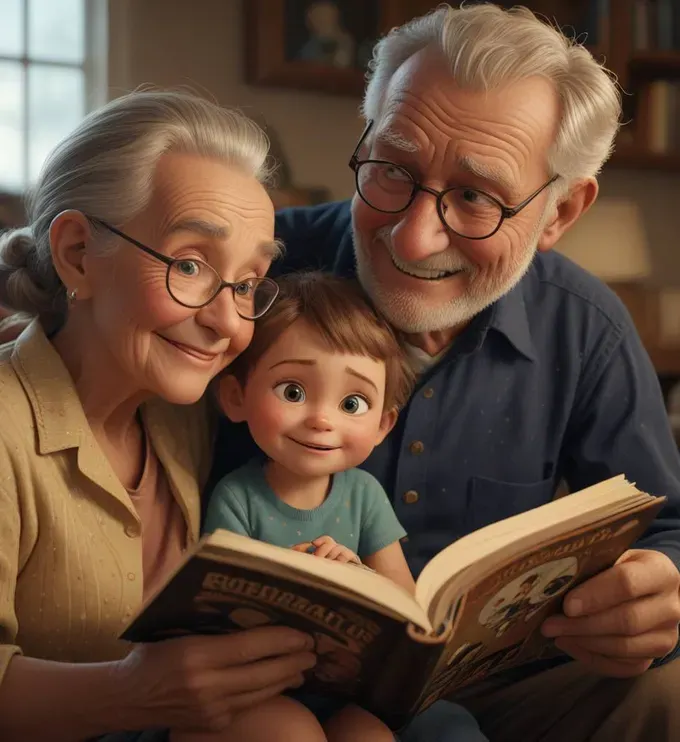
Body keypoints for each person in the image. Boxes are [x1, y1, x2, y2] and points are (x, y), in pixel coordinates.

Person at [210, 4, 680, 741]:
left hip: (486, 688)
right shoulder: (259, 270)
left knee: (665, 697)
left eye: (475, 196)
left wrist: (657, 590)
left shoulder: (584, 328)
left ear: (560, 212)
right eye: (392, 169)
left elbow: (667, 525)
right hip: (259, 678)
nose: (414, 234)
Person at [0, 89, 320, 742]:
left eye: (249, 283)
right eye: (191, 265)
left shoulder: (192, 413)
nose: (228, 321)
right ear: (77, 254)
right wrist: (133, 692)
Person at [202, 271, 487, 741]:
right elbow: (221, 614)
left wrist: (359, 580)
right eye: (292, 392)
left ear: (382, 424)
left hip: (355, 688)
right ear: (236, 397)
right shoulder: (237, 497)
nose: (320, 419)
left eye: (352, 403)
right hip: (269, 687)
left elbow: (405, 606)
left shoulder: (363, 495)